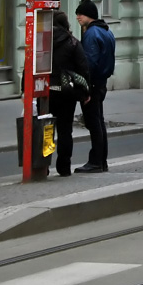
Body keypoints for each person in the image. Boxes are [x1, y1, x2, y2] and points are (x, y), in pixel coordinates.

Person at [75, 0, 115, 173]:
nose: (77, 17)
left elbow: (89, 63)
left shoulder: (92, 34)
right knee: (99, 121)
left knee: (94, 123)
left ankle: (96, 161)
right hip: (102, 82)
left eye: (80, 14)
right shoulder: (106, 31)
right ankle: (102, 160)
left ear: (88, 15)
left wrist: (86, 87)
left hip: (92, 84)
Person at [48, 12, 90, 178]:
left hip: (47, 90)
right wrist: (86, 92)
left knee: (47, 128)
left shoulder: (43, 42)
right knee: (65, 130)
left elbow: (30, 63)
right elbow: (83, 68)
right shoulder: (73, 43)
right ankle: (64, 167)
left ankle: (43, 165)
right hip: (66, 92)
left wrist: (24, 89)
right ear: (66, 25)